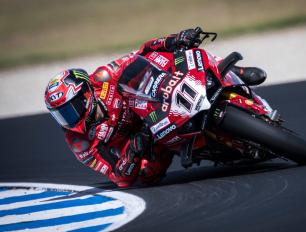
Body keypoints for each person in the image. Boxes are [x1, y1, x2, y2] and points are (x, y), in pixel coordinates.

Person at [44, 28, 266, 188]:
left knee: (172, 56)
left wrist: (172, 40)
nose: (68, 120)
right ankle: (202, 144)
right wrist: (133, 151)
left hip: (153, 102)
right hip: (146, 140)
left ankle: (231, 71)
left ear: (86, 93)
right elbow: (119, 176)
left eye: (70, 108)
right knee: (146, 175)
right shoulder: (78, 140)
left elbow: (140, 55)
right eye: (60, 115)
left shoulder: (102, 77)